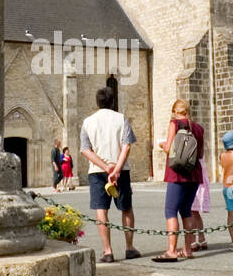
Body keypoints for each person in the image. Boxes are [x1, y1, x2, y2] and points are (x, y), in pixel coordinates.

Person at [80, 86, 141, 263]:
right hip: (120, 170)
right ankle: (129, 248)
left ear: (97, 102)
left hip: (98, 172)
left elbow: (85, 150)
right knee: (126, 208)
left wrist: (105, 167)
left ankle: (107, 251)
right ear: (113, 102)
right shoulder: (121, 119)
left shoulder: (88, 122)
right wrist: (116, 169)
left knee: (101, 210)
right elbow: (126, 146)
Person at [153, 99, 204, 262]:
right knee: (186, 211)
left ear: (175, 111)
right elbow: (200, 154)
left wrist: (161, 145)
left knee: (170, 211)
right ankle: (187, 249)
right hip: (194, 173)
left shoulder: (174, 124)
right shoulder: (198, 128)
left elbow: (169, 148)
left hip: (177, 174)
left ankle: (172, 250)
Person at [190, 151, 210, 252]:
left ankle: (193, 240)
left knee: (191, 212)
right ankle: (202, 239)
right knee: (196, 213)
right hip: (200, 179)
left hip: (193, 179)